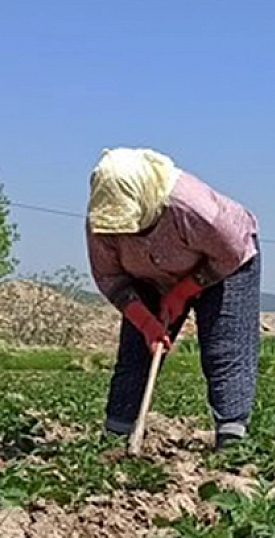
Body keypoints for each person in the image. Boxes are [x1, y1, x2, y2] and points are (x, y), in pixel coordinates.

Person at [86, 148, 260, 450]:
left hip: (223, 268)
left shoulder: (193, 208)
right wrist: (145, 323)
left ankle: (232, 439)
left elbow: (230, 253)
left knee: (224, 346)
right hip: (148, 278)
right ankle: (117, 435)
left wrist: (185, 290)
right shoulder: (101, 221)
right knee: (135, 354)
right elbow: (109, 278)